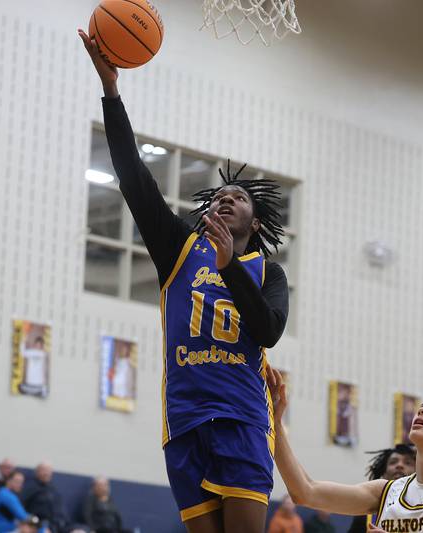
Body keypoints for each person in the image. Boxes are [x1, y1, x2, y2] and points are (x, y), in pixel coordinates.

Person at [78, 27, 289, 533]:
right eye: (219, 196)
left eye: (237, 198)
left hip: (241, 419)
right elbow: (133, 176)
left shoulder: (266, 271)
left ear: (254, 223)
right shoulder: (178, 251)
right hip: (186, 421)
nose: (224, 199)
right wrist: (112, 91)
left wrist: (228, 268)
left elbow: (268, 332)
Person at [266, 368, 423, 533]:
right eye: (422, 408)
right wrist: (275, 424)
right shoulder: (386, 492)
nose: (422, 412)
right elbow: (305, 492)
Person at [347, 444, 416, 533]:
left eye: (407, 463)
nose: (399, 465)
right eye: (393, 462)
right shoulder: (366, 515)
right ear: (383, 472)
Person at [22, 463, 67, 533]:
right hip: (36, 524)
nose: (46, 473)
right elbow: (22, 509)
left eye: (48, 471)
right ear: (37, 472)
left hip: (54, 525)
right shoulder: (30, 487)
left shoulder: (54, 490)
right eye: (43, 470)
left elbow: (60, 514)